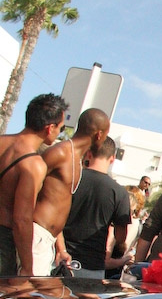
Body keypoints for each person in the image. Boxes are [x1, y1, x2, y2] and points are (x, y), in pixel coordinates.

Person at [32, 107, 110, 276]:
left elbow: (58, 206)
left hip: (48, 241)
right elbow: (28, 190)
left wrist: (61, 248)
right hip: (36, 236)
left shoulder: (76, 160)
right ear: (99, 134)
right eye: (106, 134)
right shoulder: (59, 153)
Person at [0, 93, 66, 277]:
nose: (60, 133)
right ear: (49, 128)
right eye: (60, 128)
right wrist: (27, 267)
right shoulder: (33, 164)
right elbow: (21, 219)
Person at [61, 136, 131, 279]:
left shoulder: (71, 179)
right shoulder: (119, 192)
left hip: (61, 258)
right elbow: (121, 237)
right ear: (112, 158)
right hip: (92, 265)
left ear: (88, 153)